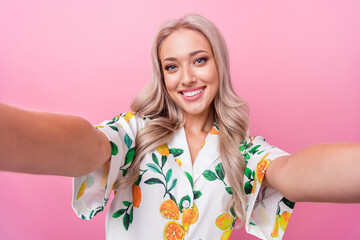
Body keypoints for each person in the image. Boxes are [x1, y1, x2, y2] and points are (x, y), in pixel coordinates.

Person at [0, 14, 359, 240]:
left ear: (219, 65)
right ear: (162, 76)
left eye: (199, 60)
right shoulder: (135, 134)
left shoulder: (243, 154)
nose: (187, 78)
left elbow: (293, 171)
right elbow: (91, 146)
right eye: (171, 67)